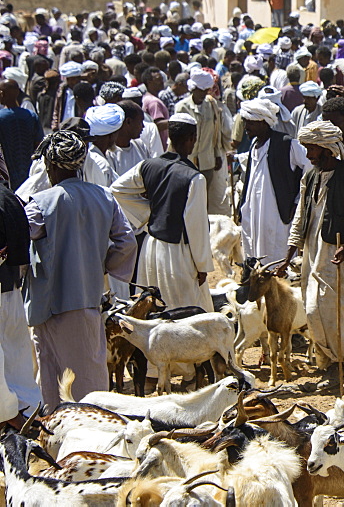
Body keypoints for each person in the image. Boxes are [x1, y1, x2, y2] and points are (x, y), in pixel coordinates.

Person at [25, 130, 136, 408]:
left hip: (44, 306)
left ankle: (58, 438)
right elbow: (126, 242)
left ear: (50, 166)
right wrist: (102, 266)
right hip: (85, 301)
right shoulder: (104, 198)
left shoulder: (40, 204)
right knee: (87, 380)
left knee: (50, 377)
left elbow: (18, 236)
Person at [278, 120, 344, 386]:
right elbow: (300, 217)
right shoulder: (310, 176)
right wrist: (288, 256)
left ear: (328, 149)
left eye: (311, 149)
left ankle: (341, 364)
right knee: (312, 309)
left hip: (339, 253)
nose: (308, 155)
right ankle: (326, 360)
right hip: (312, 253)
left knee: (335, 309)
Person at [110, 114, 214, 312]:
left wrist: (149, 214)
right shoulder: (194, 178)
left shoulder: (148, 165)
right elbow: (196, 226)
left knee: (153, 310)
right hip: (178, 254)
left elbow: (117, 189)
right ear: (192, 138)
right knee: (184, 312)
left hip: (150, 249)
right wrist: (202, 266)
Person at [237, 98, 308, 266]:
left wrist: (298, 201)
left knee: (277, 254)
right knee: (254, 254)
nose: (246, 127)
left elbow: (309, 166)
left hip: (277, 212)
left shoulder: (286, 143)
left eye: (250, 123)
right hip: (254, 212)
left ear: (263, 122)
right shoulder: (255, 144)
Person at [0, 180, 42, 420]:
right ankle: (26, 412)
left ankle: (9, 416)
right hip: (12, 287)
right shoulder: (9, 196)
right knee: (16, 355)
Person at [173, 68, 227, 214]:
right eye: (201, 90)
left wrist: (216, 154)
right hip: (187, 162)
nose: (204, 94)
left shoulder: (211, 105)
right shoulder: (181, 107)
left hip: (207, 162)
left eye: (206, 90)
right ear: (194, 89)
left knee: (204, 202)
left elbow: (215, 132)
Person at [0, 78, 43, 190]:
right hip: (30, 175)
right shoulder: (31, 116)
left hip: (7, 176)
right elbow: (39, 146)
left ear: (2, 94)